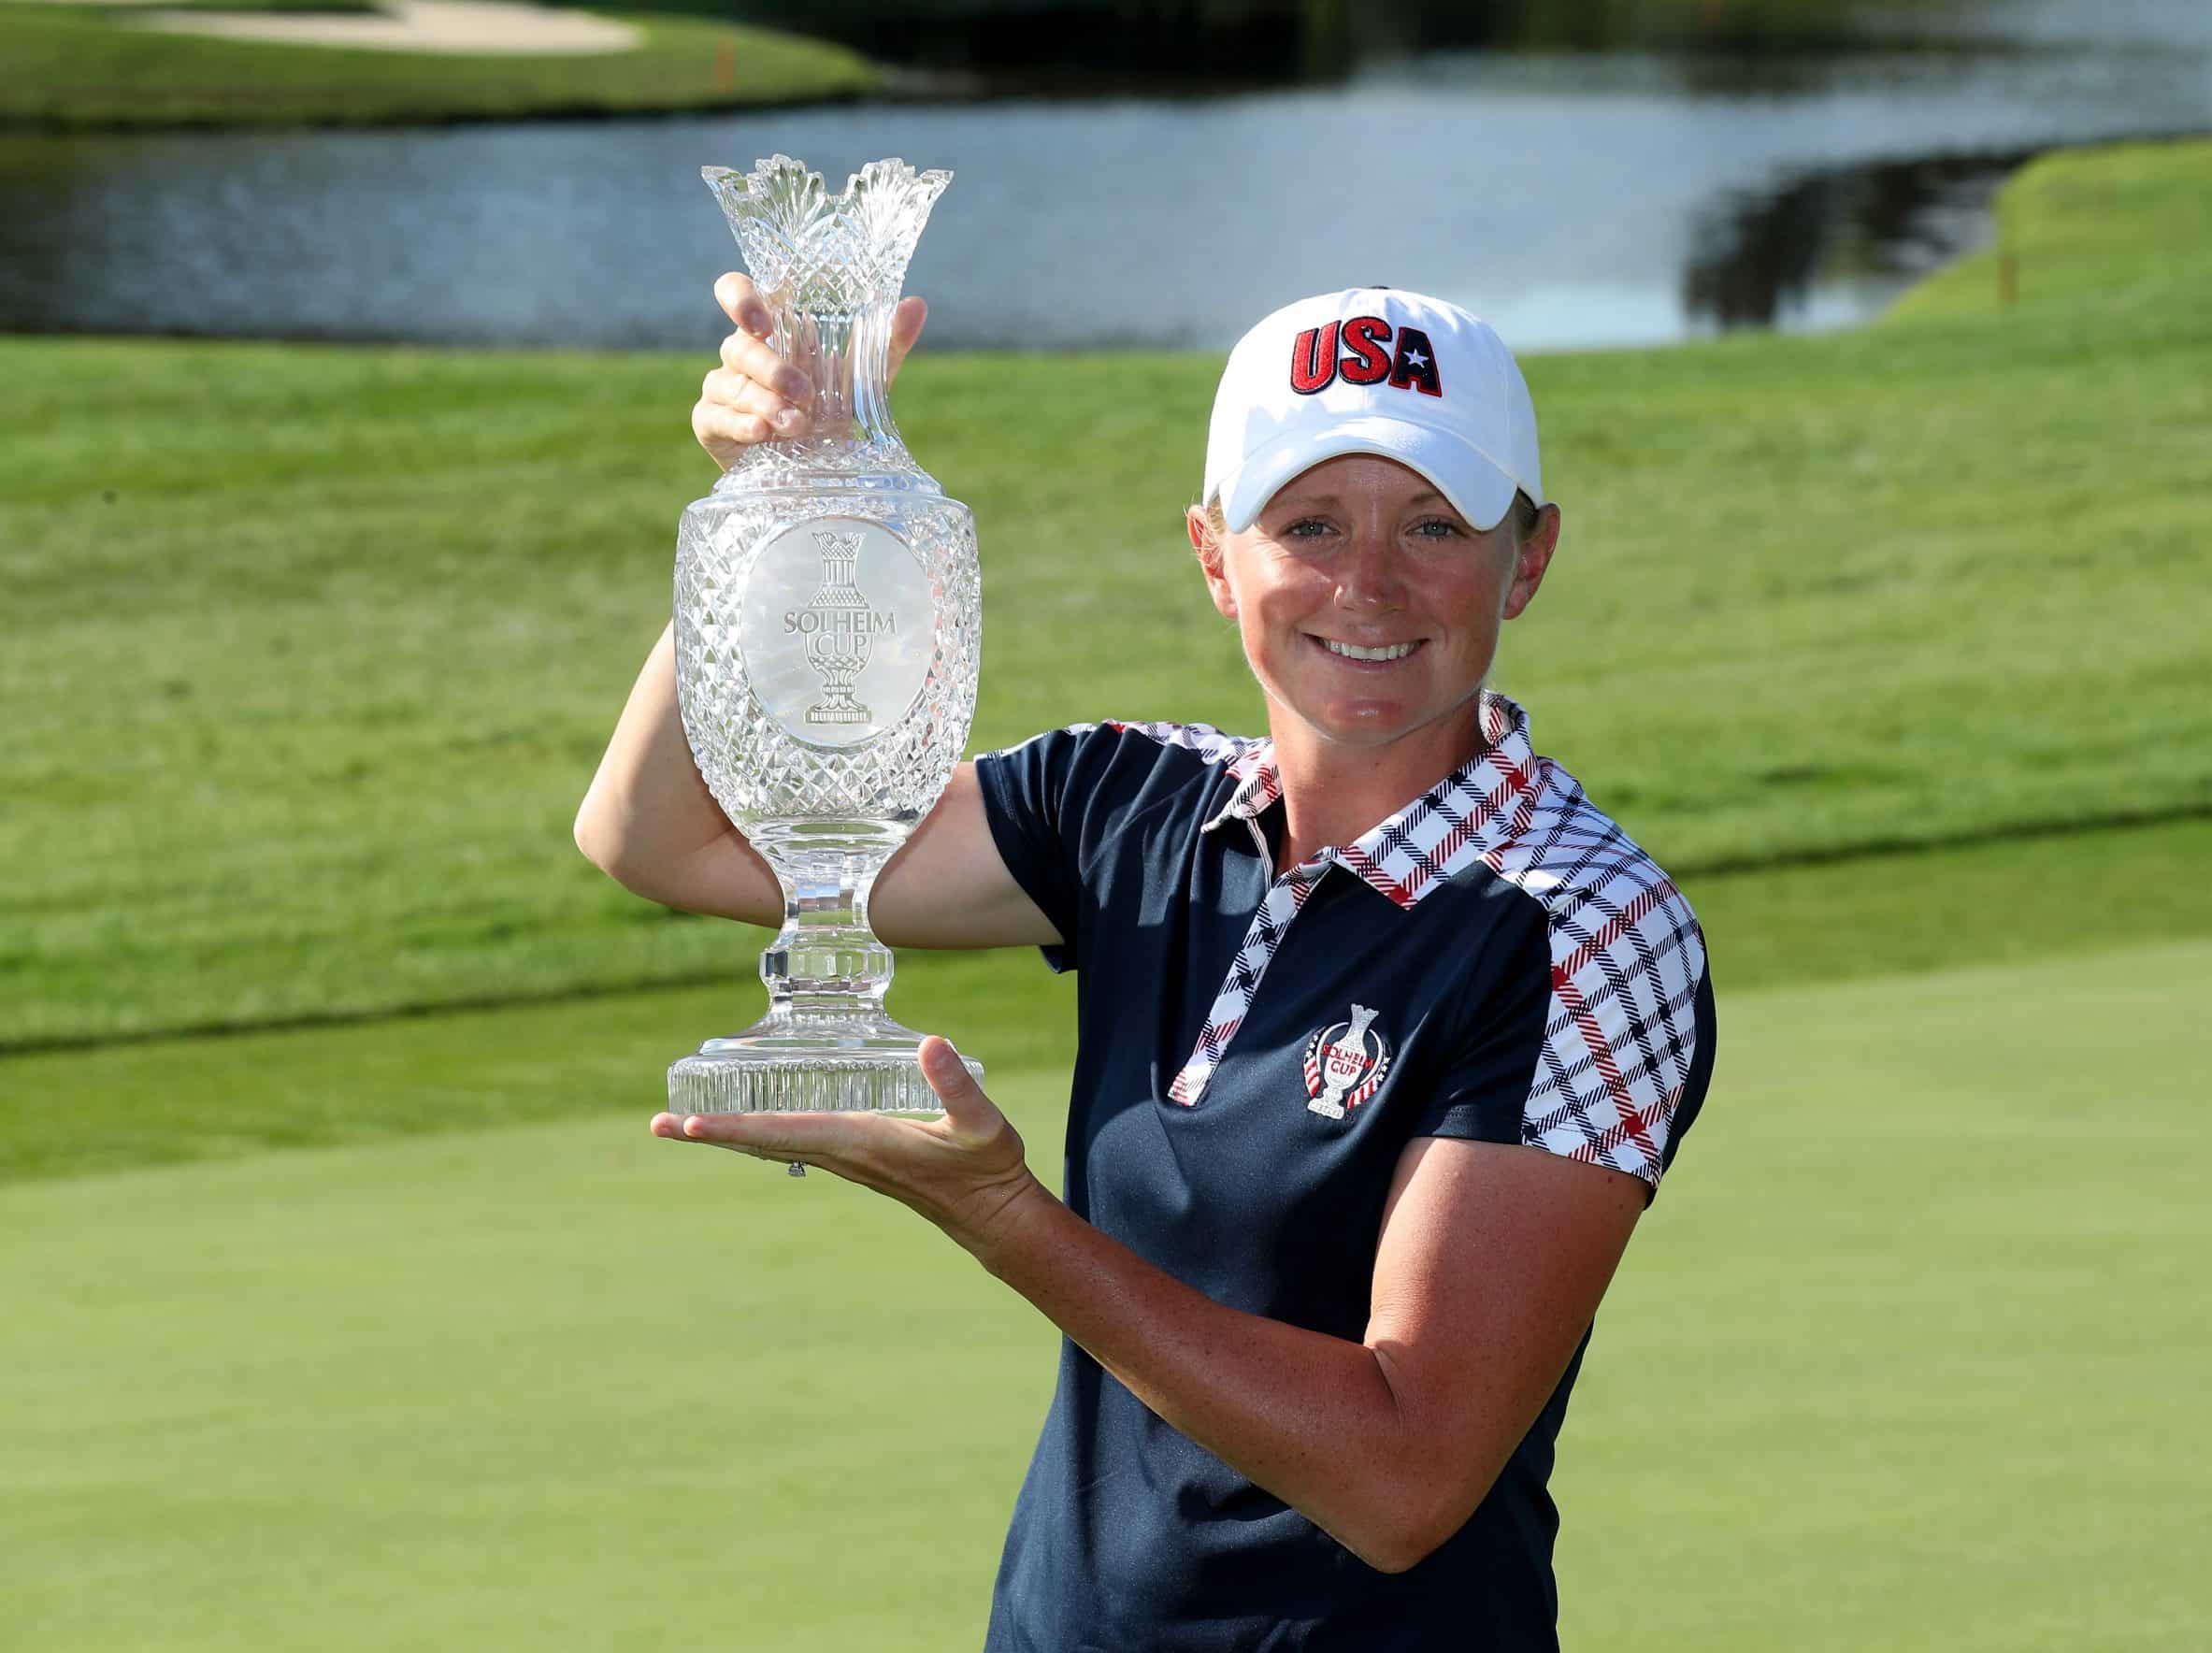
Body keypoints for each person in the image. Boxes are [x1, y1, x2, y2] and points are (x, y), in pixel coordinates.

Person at [575, 275, 1717, 1651]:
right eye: (1307, 524)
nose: (1368, 583)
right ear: (1213, 555)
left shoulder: (1580, 925)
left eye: (1434, 524)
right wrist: (769, 502)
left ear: (1525, 560)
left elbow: (1404, 1476)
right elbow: (662, 838)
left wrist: (1007, 1219)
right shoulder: (1128, 803)